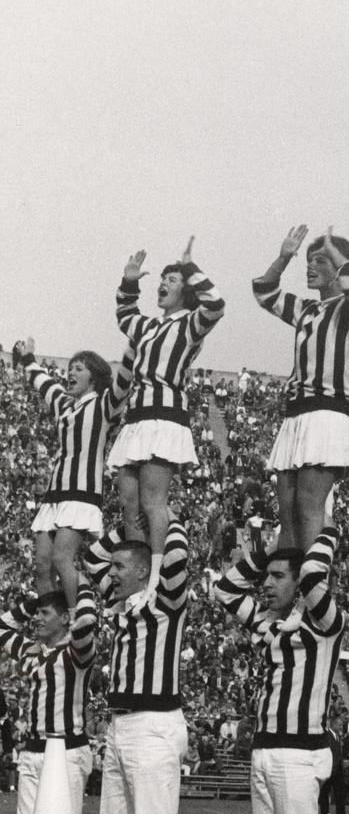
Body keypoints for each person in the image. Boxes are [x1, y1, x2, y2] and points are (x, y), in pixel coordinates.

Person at [213, 527, 346, 814]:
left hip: (298, 752)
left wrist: (322, 531)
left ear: (300, 584)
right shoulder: (269, 623)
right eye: (266, 576)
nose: (266, 584)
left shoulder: (325, 623)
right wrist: (267, 552)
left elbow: (313, 573)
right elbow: (226, 588)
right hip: (265, 749)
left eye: (277, 577)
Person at [84, 519, 190, 814]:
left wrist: (163, 518)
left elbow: (178, 558)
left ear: (145, 570)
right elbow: (90, 562)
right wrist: (130, 524)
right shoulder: (121, 606)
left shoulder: (165, 604)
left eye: (122, 567)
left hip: (155, 723)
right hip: (120, 724)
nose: (113, 574)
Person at [109, 238, 225, 598]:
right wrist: (130, 281)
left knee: (152, 502)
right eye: (163, 278)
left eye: (172, 279)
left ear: (186, 291)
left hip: (165, 416)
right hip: (136, 419)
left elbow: (217, 305)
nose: (164, 283)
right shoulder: (146, 326)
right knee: (128, 503)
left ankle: (156, 579)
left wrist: (191, 269)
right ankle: (135, 580)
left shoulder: (189, 324)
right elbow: (124, 315)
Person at [252, 226, 349, 553]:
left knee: (309, 508)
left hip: (328, 412)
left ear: (338, 267)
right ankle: (295, 590)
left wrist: (334, 250)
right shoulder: (305, 309)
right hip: (296, 415)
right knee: (288, 513)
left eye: (319, 261)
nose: (309, 266)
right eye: (309, 260)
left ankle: (313, 587)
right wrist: (283, 258)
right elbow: (264, 291)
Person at [0, 583, 98, 814]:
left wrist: (75, 583)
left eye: (45, 613)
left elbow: (86, 622)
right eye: (37, 614)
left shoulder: (76, 651)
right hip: (33, 749)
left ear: (65, 618)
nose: (37, 620)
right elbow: (1, 627)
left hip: (66, 749)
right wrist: (32, 602)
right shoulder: (32, 652)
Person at [13, 339, 133, 607]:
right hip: (54, 495)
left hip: (82, 493)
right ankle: (55, 622)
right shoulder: (64, 405)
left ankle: (79, 617)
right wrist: (28, 357)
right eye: (70, 368)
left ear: (93, 375)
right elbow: (42, 382)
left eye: (78, 368)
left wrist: (132, 346)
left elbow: (123, 382)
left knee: (61, 559)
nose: (70, 373)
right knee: (42, 567)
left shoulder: (104, 403)